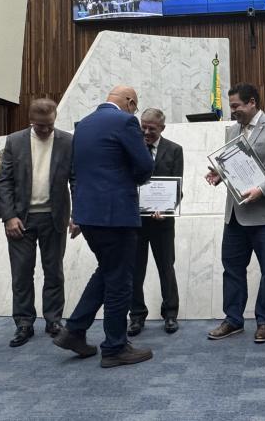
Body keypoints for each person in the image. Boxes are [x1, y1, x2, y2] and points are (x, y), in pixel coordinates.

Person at [52, 85, 154, 368]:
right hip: (116, 214)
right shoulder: (124, 121)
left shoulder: (83, 124)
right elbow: (145, 165)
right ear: (130, 102)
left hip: (89, 215)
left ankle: (74, 331)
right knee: (120, 281)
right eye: (134, 106)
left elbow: (78, 171)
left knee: (107, 271)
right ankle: (115, 348)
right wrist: (131, 177)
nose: (134, 110)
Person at [205, 83, 265, 344]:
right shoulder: (232, 129)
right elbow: (236, 166)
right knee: (232, 269)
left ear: (253, 103)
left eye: (236, 106)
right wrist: (219, 174)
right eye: (231, 106)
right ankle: (233, 320)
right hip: (235, 215)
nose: (232, 111)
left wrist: (262, 189)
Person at [0, 98, 73, 347]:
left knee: (54, 272)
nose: (46, 131)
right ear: (31, 121)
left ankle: (53, 320)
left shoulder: (68, 141)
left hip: (54, 217)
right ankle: (24, 323)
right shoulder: (15, 141)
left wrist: (78, 215)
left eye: (50, 125)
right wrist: (9, 216)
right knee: (21, 273)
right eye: (40, 126)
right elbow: (5, 181)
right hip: (21, 219)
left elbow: (76, 180)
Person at [128, 108, 183, 337]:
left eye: (152, 128)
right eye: (143, 126)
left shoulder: (174, 150)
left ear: (162, 128)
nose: (147, 132)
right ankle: (136, 316)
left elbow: (178, 187)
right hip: (135, 221)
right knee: (135, 271)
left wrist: (166, 207)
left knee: (166, 268)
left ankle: (170, 314)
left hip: (162, 222)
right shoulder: (130, 147)